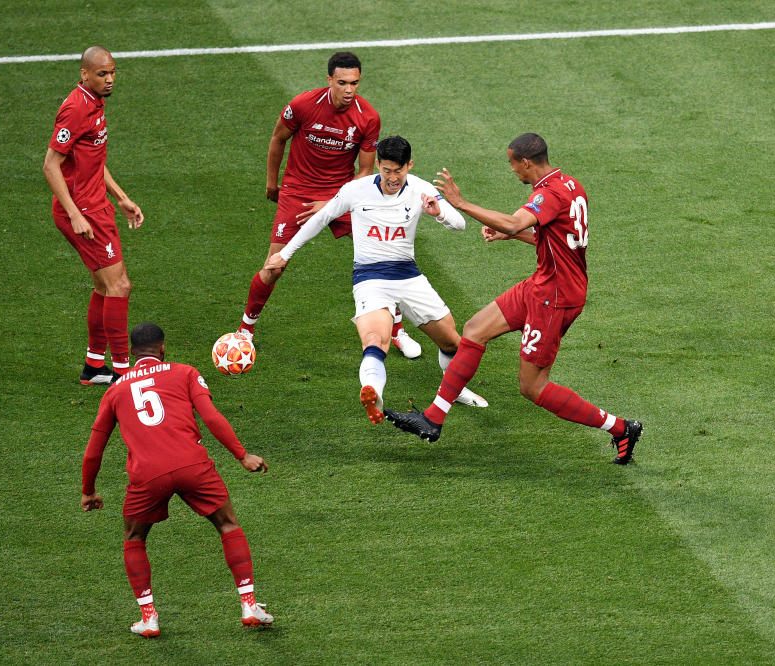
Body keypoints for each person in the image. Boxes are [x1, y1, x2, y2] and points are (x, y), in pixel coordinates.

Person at [384, 133, 643, 464]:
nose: (511, 170)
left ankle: (620, 427)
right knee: (476, 328)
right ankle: (433, 418)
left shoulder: (548, 194)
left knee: (532, 386)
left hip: (556, 296)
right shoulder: (570, 185)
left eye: (511, 163)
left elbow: (516, 219)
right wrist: (511, 234)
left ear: (526, 162)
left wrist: (461, 204)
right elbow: (548, 236)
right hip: (545, 283)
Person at [264, 136, 488, 423]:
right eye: (386, 171)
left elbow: (461, 224)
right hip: (370, 277)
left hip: (408, 275)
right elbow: (320, 220)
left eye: (399, 171)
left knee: (453, 343)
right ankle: (373, 391)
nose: (392, 178)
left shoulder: (422, 189)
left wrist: (440, 212)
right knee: (375, 340)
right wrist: (285, 254)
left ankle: (453, 390)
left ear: (410, 165)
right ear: (378, 165)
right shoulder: (355, 190)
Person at [80, 322, 273, 637]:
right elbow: (210, 416)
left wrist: (88, 491)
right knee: (227, 524)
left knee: (135, 538)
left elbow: (93, 452)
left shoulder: (115, 390)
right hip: (192, 465)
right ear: (163, 348)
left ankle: (149, 617)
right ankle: (249, 605)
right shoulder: (184, 372)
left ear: (131, 352)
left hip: (147, 475)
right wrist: (242, 455)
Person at [238, 51, 422, 359]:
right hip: (298, 192)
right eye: (342, 83)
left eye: (355, 83)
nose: (349, 90)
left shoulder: (368, 117)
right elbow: (277, 139)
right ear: (329, 81)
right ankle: (245, 330)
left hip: (342, 193)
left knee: (385, 255)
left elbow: (364, 173)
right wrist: (272, 183)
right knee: (274, 266)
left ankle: (397, 331)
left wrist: (333, 204)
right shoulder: (303, 105)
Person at [43, 45, 144, 385]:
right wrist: (75, 214)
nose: (110, 79)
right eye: (102, 74)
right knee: (120, 285)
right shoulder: (75, 109)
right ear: (84, 73)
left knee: (104, 287)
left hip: (96, 205)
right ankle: (123, 373)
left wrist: (122, 198)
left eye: (113, 72)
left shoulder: (95, 103)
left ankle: (94, 367)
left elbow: (93, 161)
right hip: (84, 211)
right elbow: (50, 166)